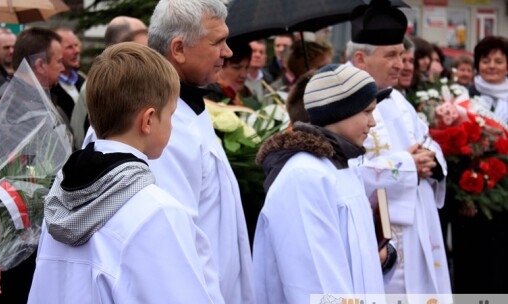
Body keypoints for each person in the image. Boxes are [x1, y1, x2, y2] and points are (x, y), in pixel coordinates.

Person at [28, 42, 224, 303]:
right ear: (148, 120)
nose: (172, 126)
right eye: (171, 115)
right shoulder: (156, 211)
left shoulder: (60, 200)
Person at [147, 0, 255, 303]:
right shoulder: (154, 126)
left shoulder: (188, 105)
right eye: (218, 42)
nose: (229, 52)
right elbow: (173, 243)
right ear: (178, 48)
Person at [254, 64, 389, 303]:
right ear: (340, 112)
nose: (373, 123)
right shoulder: (305, 176)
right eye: (367, 112)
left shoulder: (340, 167)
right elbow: (313, 279)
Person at [347, 0, 451, 296]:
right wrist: (408, 165)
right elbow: (343, 173)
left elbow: (426, 140)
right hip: (382, 233)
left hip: (419, 224)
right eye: (391, 55)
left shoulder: (396, 99)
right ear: (360, 59)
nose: (401, 64)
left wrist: (431, 159)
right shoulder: (343, 106)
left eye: (402, 55)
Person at [0, 27, 68, 304]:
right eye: (58, 61)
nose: (63, 67)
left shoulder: (37, 97)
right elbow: (5, 170)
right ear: (40, 64)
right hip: (16, 230)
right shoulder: (8, 102)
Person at [453, 35, 508, 293]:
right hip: (472, 197)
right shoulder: (464, 97)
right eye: (486, 60)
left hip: (504, 197)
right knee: (472, 263)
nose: (492, 65)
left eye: (499, 60)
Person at [71, 16, 148, 150]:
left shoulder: (146, 86)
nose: (149, 57)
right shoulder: (93, 88)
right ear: (120, 48)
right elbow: (79, 139)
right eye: (141, 50)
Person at [205, 42, 260, 109]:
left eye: (247, 67)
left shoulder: (247, 93)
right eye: (237, 68)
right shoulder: (209, 96)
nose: (244, 74)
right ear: (220, 66)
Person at [50, 27, 84, 121]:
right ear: (56, 51)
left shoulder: (83, 81)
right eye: (69, 47)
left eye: (76, 45)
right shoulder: (49, 88)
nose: (76, 51)